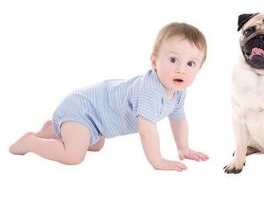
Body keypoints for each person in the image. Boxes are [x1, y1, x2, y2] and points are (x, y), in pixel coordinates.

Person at [9, 22, 209, 171]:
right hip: (83, 110)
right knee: (73, 155)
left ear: (199, 68)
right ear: (154, 61)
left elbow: (179, 119)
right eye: (173, 60)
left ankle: (52, 130)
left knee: (96, 146)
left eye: (190, 64)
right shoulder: (150, 91)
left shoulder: (179, 92)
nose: (181, 70)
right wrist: (157, 161)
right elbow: (147, 132)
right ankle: (31, 142)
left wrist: (184, 147)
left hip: (97, 123)